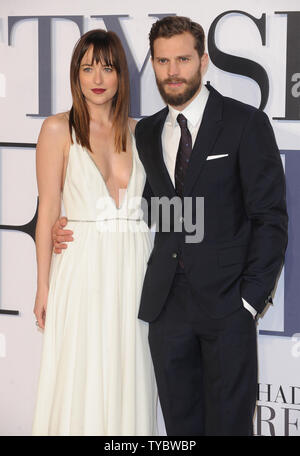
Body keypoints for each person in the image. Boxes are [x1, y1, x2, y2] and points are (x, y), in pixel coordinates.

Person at [53, 17, 288, 436]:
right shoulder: (144, 133)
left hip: (227, 308)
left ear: (204, 61)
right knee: (181, 432)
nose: (172, 70)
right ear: (153, 65)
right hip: (166, 312)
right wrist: (74, 225)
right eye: (162, 61)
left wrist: (249, 302)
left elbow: (270, 219)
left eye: (182, 59)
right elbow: (139, 210)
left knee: (230, 428)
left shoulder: (244, 123)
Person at [32, 29, 157, 436]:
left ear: (121, 75)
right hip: (81, 268)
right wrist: (43, 287)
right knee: (80, 371)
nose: (97, 78)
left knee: (129, 366)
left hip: (135, 268)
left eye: (107, 67)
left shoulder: (144, 133)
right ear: (76, 74)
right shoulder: (56, 129)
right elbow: (48, 209)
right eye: (87, 68)